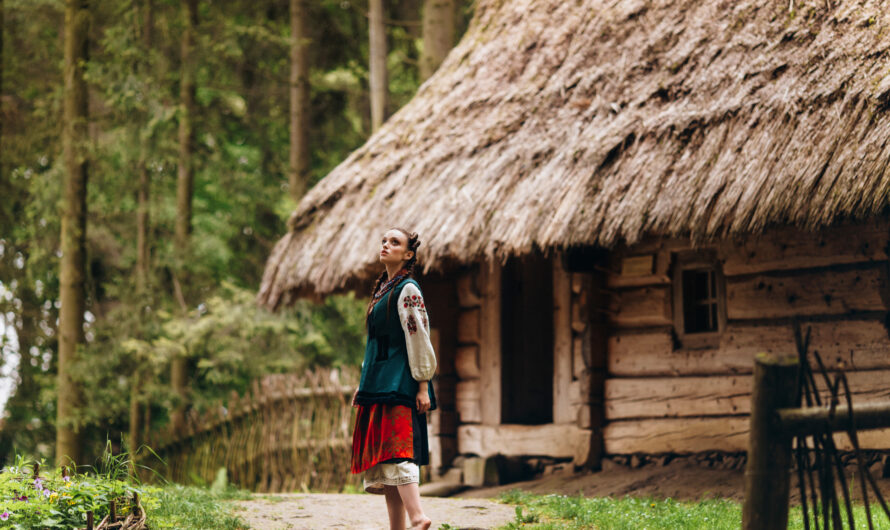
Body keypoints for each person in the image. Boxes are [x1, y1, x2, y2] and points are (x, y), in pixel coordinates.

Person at [351, 227, 437, 530]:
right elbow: (375, 345)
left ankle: (418, 517)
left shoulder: (408, 290)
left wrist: (423, 383)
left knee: (399, 450)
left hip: (400, 382)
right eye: (384, 241)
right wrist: (364, 386)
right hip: (379, 383)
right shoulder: (383, 290)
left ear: (408, 254)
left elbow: (419, 337)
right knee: (386, 461)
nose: (386, 245)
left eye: (395, 242)